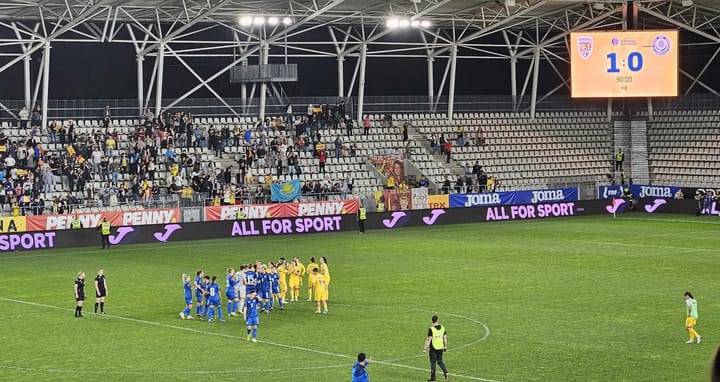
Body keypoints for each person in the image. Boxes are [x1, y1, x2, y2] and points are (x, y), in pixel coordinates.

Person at [423, 315, 449, 382]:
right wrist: (445, 346)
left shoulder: (431, 329)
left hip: (433, 348)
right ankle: (446, 373)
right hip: (441, 347)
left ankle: (433, 378)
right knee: (440, 361)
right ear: (438, 320)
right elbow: (445, 337)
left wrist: (425, 348)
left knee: (433, 363)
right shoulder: (443, 328)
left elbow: (429, 339)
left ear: (432, 321)